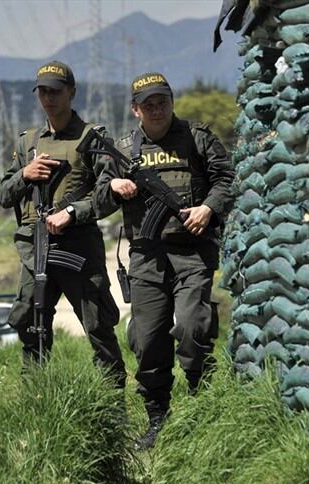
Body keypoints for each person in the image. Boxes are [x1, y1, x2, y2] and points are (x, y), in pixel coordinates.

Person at [94, 72, 235, 448]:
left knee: (192, 327)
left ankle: (203, 405)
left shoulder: (198, 138)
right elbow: (97, 201)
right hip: (146, 256)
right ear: (135, 109)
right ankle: (158, 416)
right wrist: (113, 187)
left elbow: (227, 180)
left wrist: (208, 208)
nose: (157, 110)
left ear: (172, 102)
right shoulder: (123, 149)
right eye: (148, 104)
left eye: (163, 102)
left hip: (191, 250)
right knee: (148, 338)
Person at [0, 60, 126, 388]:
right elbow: (2, 194)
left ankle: (112, 405)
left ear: (72, 92)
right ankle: (37, 403)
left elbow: (109, 194)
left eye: (55, 91)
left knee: (98, 328)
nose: (48, 99)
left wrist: (72, 213)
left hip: (79, 247)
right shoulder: (28, 142)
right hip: (35, 248)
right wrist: (25, 175)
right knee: (31, 326)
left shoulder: (91, 137)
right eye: (42, 92)